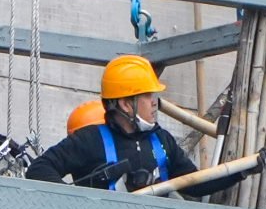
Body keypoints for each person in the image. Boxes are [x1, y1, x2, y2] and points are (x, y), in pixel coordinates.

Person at [26, 53, 205, 192]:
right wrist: (74, 203)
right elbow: (39, 169)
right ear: (126, 104)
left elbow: (196, 183)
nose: (154, 102)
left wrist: (232, 172)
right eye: (148, 95)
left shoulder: (163, 140)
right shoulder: (90, 140)